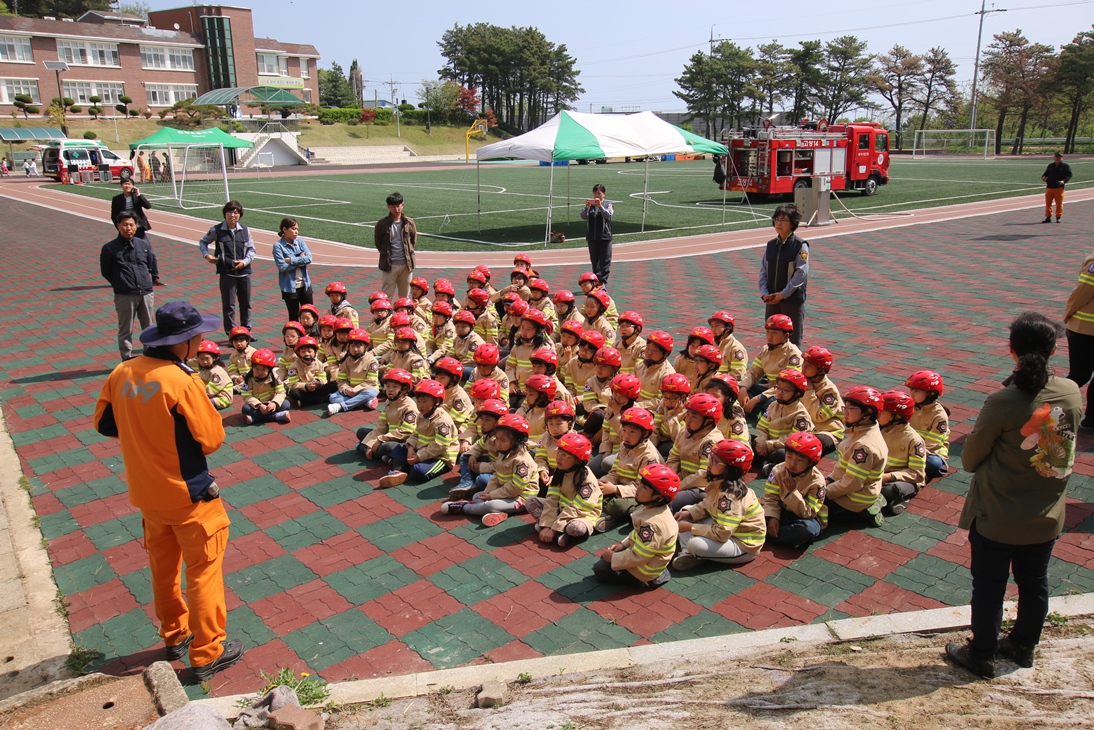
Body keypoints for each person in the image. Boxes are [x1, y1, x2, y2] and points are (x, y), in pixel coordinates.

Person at [93, 300, 244, 681]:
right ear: (183, 342)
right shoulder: (182, 380)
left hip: (147, 494)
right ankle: (207, 651)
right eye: (198, 337)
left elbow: (104, 423)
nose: (202, 342)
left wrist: (144, 432)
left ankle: (175, 634)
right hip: (189, 495)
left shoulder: (123, 371)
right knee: (203, 572)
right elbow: (211, 440)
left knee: (163, 569)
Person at [946, 312, 1081, 680]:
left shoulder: (1003, 400)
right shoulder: (1071, 392)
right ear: (1055, 350)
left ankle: (982, 653)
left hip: (998, 514)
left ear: (1012, 350)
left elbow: (970, 459)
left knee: (989, 586)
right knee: (1034, 580)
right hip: (1046, 514)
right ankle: (1024, 645)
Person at [673, 439, 766, 570]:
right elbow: (708, 504)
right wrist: (690, 513)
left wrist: (691, 528)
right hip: (725, 528)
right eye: (711, 457)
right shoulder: (720, 482)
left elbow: (722, 534)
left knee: (695, 544)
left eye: (715, 461)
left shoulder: (731, 497)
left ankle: (695, 552)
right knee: (686, 511)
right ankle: (688, 553)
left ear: (731, 470)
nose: (710, 462)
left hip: (742, 544)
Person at [593, 464, 679, 588]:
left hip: (645, 569)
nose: (638, 489)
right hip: (648, 555)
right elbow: (637, 533)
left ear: (659, 497)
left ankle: (649, 580)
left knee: (600, 568)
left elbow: (640, 557)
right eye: (640, 484)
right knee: (605, 560)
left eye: (644, 487)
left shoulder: (652, 525)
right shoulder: (654, 509)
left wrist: (614, 558)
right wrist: (623, 544)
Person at [100, 211, 158, 361]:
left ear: (136, 226)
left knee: (149, 327)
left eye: (131, 225)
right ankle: (126, 358)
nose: (128, 228)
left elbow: (150, 263)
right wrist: (121, 283)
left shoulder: (143, 244)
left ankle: (150, 355)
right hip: (125, 295)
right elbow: (106, 272)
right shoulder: (110, 248)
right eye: (125, 225)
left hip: (145, 292)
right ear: (118, 226)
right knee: (126, 329)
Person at [199, 201, 255, 337]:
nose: (232, 215)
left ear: (240, 215)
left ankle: (246, 332)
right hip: (227, 274)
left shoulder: (245, 230)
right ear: (225, 214)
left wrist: (244, 262)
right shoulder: (216, 230)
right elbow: (203, 242)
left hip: (244, 273)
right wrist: (207, 255)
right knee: (229, 306)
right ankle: (232, 333)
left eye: (236, 212)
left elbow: (252, 250)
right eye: (230, 212)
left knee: (246, 304)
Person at [759, 203, 809, 347]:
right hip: (772, 300)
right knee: (772, 338)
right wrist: (764, 293)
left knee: (792, 342)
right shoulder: (771, 245)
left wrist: (783, 294)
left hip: (791, 301)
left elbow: (801, 273)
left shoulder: (800, 245)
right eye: (777, 219)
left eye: (784, 220)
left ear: (792, 223)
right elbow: (763, 271)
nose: (779, 223)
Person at [374, 192, 417, 301]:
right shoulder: (382, 224)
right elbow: (378, 243)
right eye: (392, 206)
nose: (396, 209)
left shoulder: (409, 223)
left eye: (398, 206)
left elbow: (413, 241)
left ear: (403, 205)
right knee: (386, 296)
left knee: (405, 297)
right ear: (388, 207)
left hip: (406, 265)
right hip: (389, 265)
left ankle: (403, 313)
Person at [273, 217, 314, 321]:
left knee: (310, 315)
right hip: (289, 287)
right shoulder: (278, 246)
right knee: (294, 316)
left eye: (297, 229)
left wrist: (291, 260)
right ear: (284, 229)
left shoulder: (300, 242)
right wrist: (300, 260)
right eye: (293, 229)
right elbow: (282, 266)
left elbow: (309, 258)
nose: (296, 232)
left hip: (305, 285)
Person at [110, 179, 157, 250]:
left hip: (138, 227)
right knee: (122, 248)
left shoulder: (137, 196)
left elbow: (148, 206)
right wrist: (119, 227)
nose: (127, 186)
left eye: (129, 184)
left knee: (146, 247)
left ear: (133, 186)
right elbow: (114, 215)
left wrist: (138, 194)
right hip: (125, 228)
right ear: (121, 186)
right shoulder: (116, 199)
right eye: (125, 184)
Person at [581, 184, 614, 284]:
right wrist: (586, 208)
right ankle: (596, 282)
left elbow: (608, 215)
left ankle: (603, 283)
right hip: (592, 237)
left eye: (599, 193)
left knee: (605, 261)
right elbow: (583, 216)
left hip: (605, 237)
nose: (597, 195)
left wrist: (600, 207)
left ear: (604, 194)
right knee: (595, 261)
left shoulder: (608, 204)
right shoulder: (590, 205)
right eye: (595, 193)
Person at [1041, 152, 1072, 223]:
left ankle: (1058, 217)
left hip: (1059, 187)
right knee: (1048, 203)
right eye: (1056, 157)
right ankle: (1048, 217)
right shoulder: (1050, 166)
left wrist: (1063, 181)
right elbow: (1045, 174)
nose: (1058, 158)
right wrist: (1044, 177)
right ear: (1054, 158)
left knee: (1059, 203)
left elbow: (1069, 175)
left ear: (1062, 158)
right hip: (1049, 187)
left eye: (1059, 157)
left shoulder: (1065, 166)